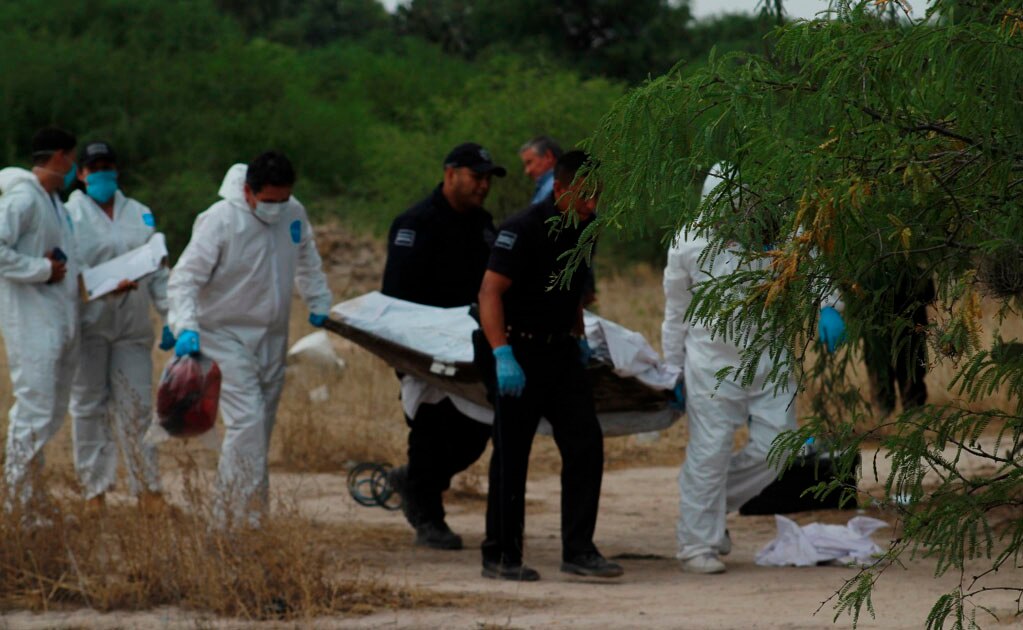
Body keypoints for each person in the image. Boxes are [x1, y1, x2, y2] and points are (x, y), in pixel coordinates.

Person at [662, 164, 846, 574]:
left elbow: (811, 263)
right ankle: (696, 544)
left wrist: (829, 305)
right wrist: (671, 370)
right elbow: (674, 314)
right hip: (711, 365)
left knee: (779, 450)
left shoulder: (773, 230)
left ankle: (707, 508)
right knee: (709, 453)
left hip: (770, 359)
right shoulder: (689, 241)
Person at [476, 150, 622, 581]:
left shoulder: (587, 227)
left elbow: (573, 288)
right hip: (515, 349)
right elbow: (489, 293)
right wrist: (501, 353)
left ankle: (578, 550)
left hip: (560, 352)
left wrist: (579, 337)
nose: (592, 206)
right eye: (584, 198)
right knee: (512, 454)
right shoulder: (521, 230)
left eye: (598, 198)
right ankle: (501, 555)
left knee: (585, 445)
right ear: (559, 189)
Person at [167, 151, 333, 527]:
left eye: (283, 199)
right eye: (268, 201)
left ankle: (253, 519)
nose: (275, 208)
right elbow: (185, 277)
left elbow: (307, 256)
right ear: (248, 190)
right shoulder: (220, 220)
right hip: (223, 334)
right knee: (247, 422)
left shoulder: (293, 212)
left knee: (261, 428)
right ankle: (225, 524)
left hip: (272, 335)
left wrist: (318, 298)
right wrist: (186, 325)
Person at [380, 143, 505, 549]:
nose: (483, 186)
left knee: (475, 433)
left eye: (487, 179)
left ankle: (413, 481)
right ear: (451, 174)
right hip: (425, 349)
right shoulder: (415, 224)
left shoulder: (484, 226)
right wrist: (408, 358)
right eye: (476, 177)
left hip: (475, 349)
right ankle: (429, 517)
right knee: (432, 428)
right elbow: (395, 298)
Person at [66, 141, 171, 513]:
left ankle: (148, 489)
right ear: (81, 174)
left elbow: (157, 268)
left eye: (107, 166)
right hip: (90, 324)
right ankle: (94, 491)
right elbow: (69, 274)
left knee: (139, 406)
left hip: (132, 324)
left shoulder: (139, 214)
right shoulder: (69, 216)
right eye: (94, 168)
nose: (102, 174)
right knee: (88, 406)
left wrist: (171, 315)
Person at [0, 127, 80, 508]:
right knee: (34, 409)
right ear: (60, 156)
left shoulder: (55, 204)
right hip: (30, 320)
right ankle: (18, 503)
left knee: (48, 410)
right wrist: (41, 269)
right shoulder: (22, 199)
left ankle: (31, 495)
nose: (72, 165)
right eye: (71, 157)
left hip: (56, 320)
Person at [518, 136, 562, 205]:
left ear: (548, 156)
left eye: (529, 162)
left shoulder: (554, 187)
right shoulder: (546, 186)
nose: (527, 171)